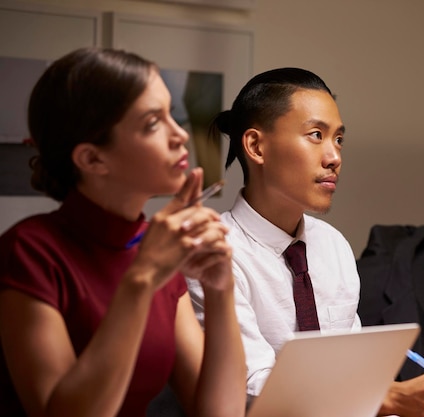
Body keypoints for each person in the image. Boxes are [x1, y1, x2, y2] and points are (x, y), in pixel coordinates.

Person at [187, 67, 424, 417]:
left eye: (338, 139)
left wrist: (392, 394)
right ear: (257, 146)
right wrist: (386, 396)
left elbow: (354, 372)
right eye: (316, 135)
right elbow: (253, 387)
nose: (334, 157)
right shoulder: (214, 255)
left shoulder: (331, 244)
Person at [0, 47, 246, 417]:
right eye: (152, 123)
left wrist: (220, 288)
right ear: (92, 159)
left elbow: (219, 414)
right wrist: (142, 279)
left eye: (171, 114)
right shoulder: (29, 252)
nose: (180, 135)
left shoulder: (158, 248)